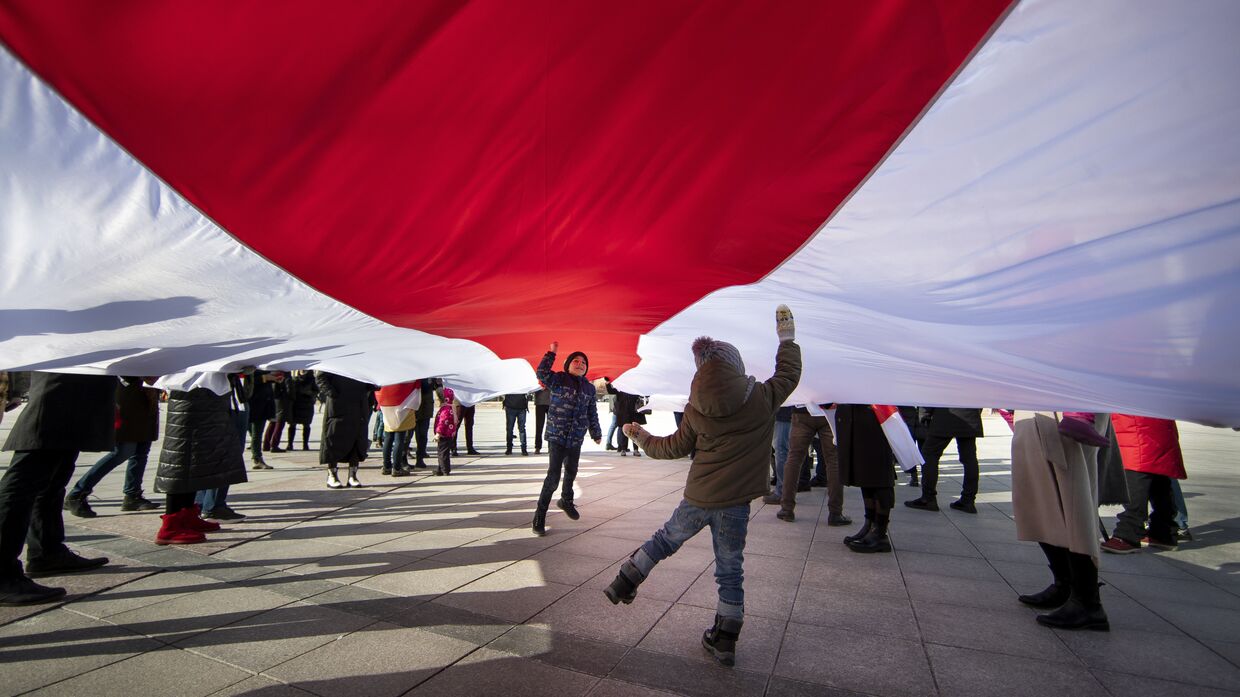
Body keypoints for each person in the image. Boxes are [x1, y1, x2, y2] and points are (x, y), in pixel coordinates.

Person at [608, 306, 800, 667]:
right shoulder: (762, 397)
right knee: (730, 569)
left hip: (697, 498)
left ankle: (625, 580)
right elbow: (789, 373)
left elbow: (672, 448)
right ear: (735, 366)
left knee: (664, 540)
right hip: (735, 505)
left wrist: (641, 435)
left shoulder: (695, 408)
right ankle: (725, 638)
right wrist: (785, 338)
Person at [0, 372, 114, 605]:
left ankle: (47, 551)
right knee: (25, 478)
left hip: (78, 386)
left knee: (54, 477)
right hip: (61, 384)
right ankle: (2, 574)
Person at [1010, 410, 1110, 631]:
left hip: (1068, 411)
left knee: (1073, 505)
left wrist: (1080, 414)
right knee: (1038, 504)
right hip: (1036, 407)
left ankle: (1087, 601)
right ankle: (1065, 583)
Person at [153, 374, 247, 544]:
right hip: (189, 395)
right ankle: (171, 525)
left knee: (197, 460)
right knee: (181, 460)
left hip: (204, 396)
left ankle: (187, 514)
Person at [532, 342, 602, 535]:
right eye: (576, 361)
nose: (580, 364)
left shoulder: (589, 388)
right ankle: (540, 514)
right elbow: (541, 373)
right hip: (557, 435)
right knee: (553, 476)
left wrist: (595, 432)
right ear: (568, 364)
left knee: (571, 471)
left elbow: (592, 412)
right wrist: (551, 353)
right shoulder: (559, 379)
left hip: (576, 437)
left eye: (583, 363)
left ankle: (566, 500)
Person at [64, 376, 162, 516]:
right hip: (127, 400)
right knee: (122, 451)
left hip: (146, 399)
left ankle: (132, 495)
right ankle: (77, 493)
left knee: (140, 452)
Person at [1101, 415, 1186, 553]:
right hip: (1153, 428)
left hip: (1136, 430)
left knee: (1136, 481)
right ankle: (1163, 533)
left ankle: (1128, 534)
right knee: (1159, 482)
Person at [774, 405, 849, 526]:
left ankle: (786, 508)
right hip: (829, 412)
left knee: (794, 458)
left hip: (802, 411)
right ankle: (835, 512)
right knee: (833, 461)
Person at [838, 404, 897, 553]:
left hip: (879, 414)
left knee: (880, 475)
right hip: (858, 414)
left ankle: (880, 532)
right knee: (865, 474)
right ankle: (870, 524)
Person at [905, 407, 984, 514]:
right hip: (969, 414)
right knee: (969, 458)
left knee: (929, 454)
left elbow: (933, 393)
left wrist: (924, 415)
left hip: (946, 415)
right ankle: (968, 500)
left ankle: (928, 498)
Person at [316, 371, 375, 489]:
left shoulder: (363, 359)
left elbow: (369, 377)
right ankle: (332, 474)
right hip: (339, 403)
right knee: (334, 436)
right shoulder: (334, 357)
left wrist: (373, 384)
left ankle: (352, 475)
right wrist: (332, 393)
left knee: (357, 438)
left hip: (358, 402)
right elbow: (321, 377)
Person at [375, 382, 418, 477]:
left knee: (388, 436)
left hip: (386, 401)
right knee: (399, 437)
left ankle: (386, 466)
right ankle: (397, 468)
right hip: (402, 403)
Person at [246, 370, 284, 469]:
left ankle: (257, 458)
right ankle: (257, 458)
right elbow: (248, 380)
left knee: (257, 433)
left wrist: (274, 379)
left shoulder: (262, 365)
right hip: (254, 404)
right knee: (255, 433)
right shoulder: (250, 365)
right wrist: (265, 378)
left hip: (263, 403)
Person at [285, 370, 318, 451]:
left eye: (304, 370)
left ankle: (305, 444)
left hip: (307, 405)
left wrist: (309, 393)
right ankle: (290, 444)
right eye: (301, 370)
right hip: (296, 405)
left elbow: (316, 391)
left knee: (306, 425)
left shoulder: (312, 380)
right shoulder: (295, 379)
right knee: (292, 425)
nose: (302, 371)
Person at [434, 388, 459, 475]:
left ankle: (444, 469)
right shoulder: (451, 408)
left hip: (444, 434)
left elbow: (442, 423)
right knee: (444, 452)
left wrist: (438, 433)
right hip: (449, 434)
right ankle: (440, 468)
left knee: (442, 452)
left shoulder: (445, 410)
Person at [614, 390, 645, 456]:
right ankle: (623, 449)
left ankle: (636, 449)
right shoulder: (620, 387)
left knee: (635, 431)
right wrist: (608, 383)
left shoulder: (634, 387)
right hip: (624, 412)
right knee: (624, 431)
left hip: (634, 412)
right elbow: (611, 391)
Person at [533, 385, 550, 455]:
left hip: (550, 402)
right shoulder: (537, 376)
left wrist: (548, 387)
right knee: (539, 426)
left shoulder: (552, 375)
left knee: (551, 427)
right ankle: (537, 447)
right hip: (539, 402)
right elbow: (532, 388)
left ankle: (550, 447)